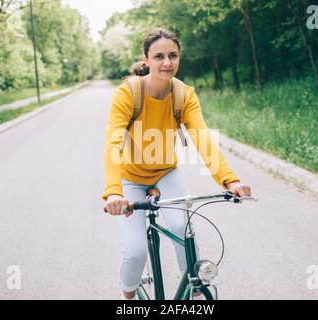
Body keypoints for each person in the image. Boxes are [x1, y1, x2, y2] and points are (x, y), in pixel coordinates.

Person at [102, 28, 251, 300]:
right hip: (131, 178)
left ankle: (193, 291)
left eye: (173, 55)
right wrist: (113, 191)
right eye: (158, 56)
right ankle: (128, 299)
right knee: (135, 251)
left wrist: (230, 180)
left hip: (165, 174)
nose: (167, 62)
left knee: (183, 230)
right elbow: (113, 144)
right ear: (146, 59)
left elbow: (203, 140)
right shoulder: (127, 94)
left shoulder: (184, 95)